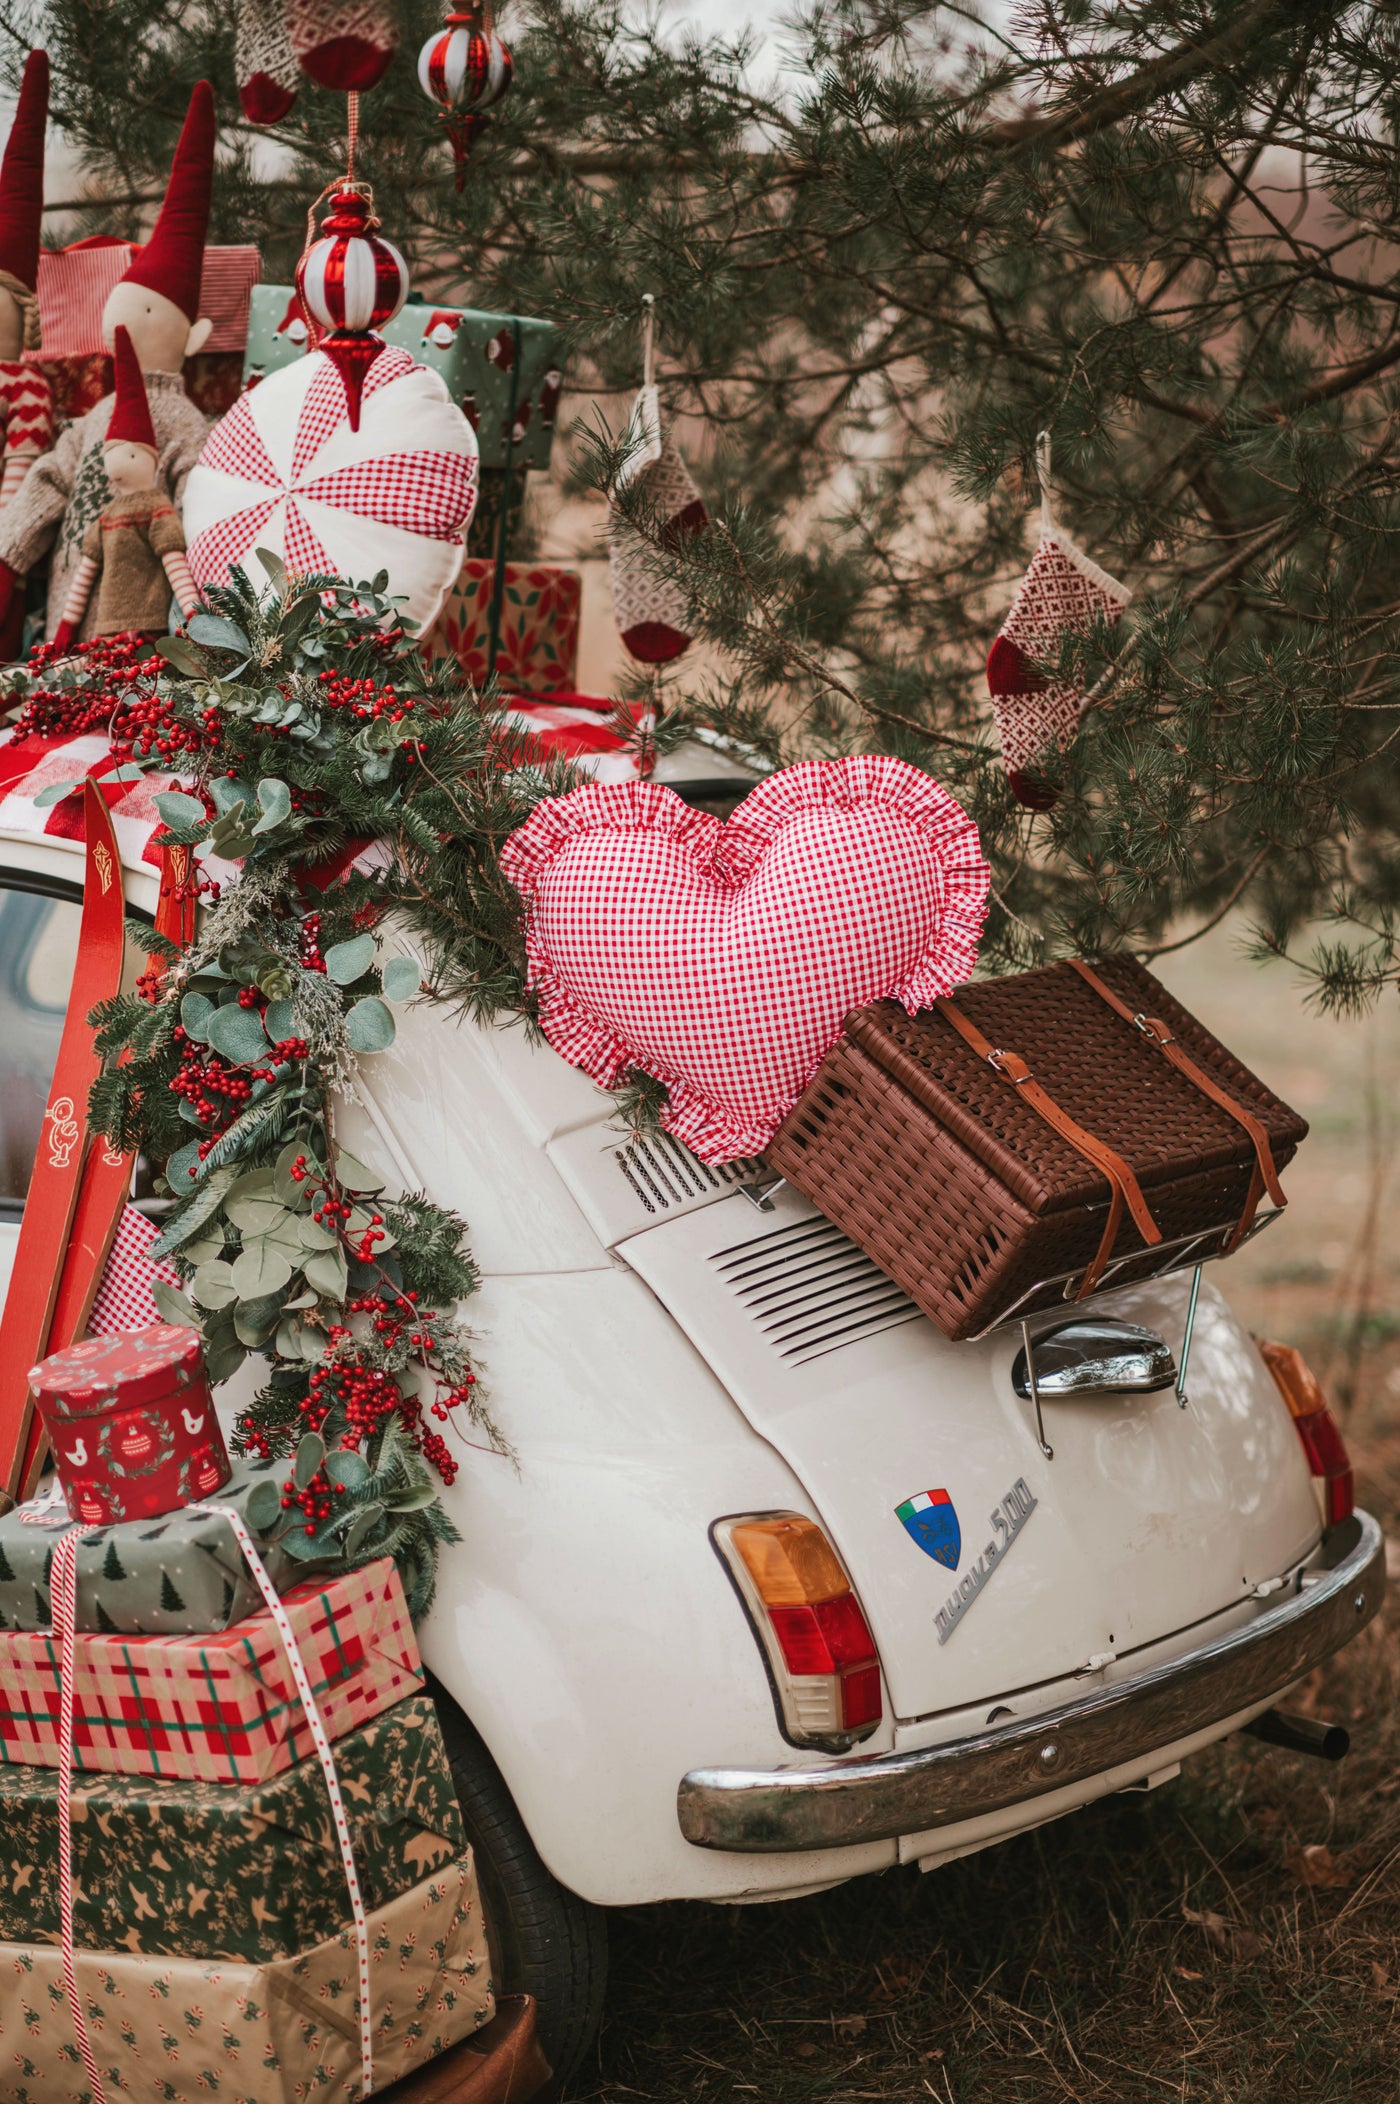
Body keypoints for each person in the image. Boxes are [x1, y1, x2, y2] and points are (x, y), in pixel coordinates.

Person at [0, 81, 216, 647]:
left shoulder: (186, 425)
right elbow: (48, 479)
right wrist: (7, 558)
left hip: (148, 637)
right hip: (66, 625)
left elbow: (201, 505)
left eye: (141, 309)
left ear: (194, 338)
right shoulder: (96, 416)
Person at [51, 328, 200, 649]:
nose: (117, 467)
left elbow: (174, 560)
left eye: (129, 454)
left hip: (150, 622)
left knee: (145, 687)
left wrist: (193, 614)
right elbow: (85, 570)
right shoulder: (108, 516)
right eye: (111, 456)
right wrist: (66, 626)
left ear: (150, 459)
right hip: (106, 625)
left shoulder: (157, 508)